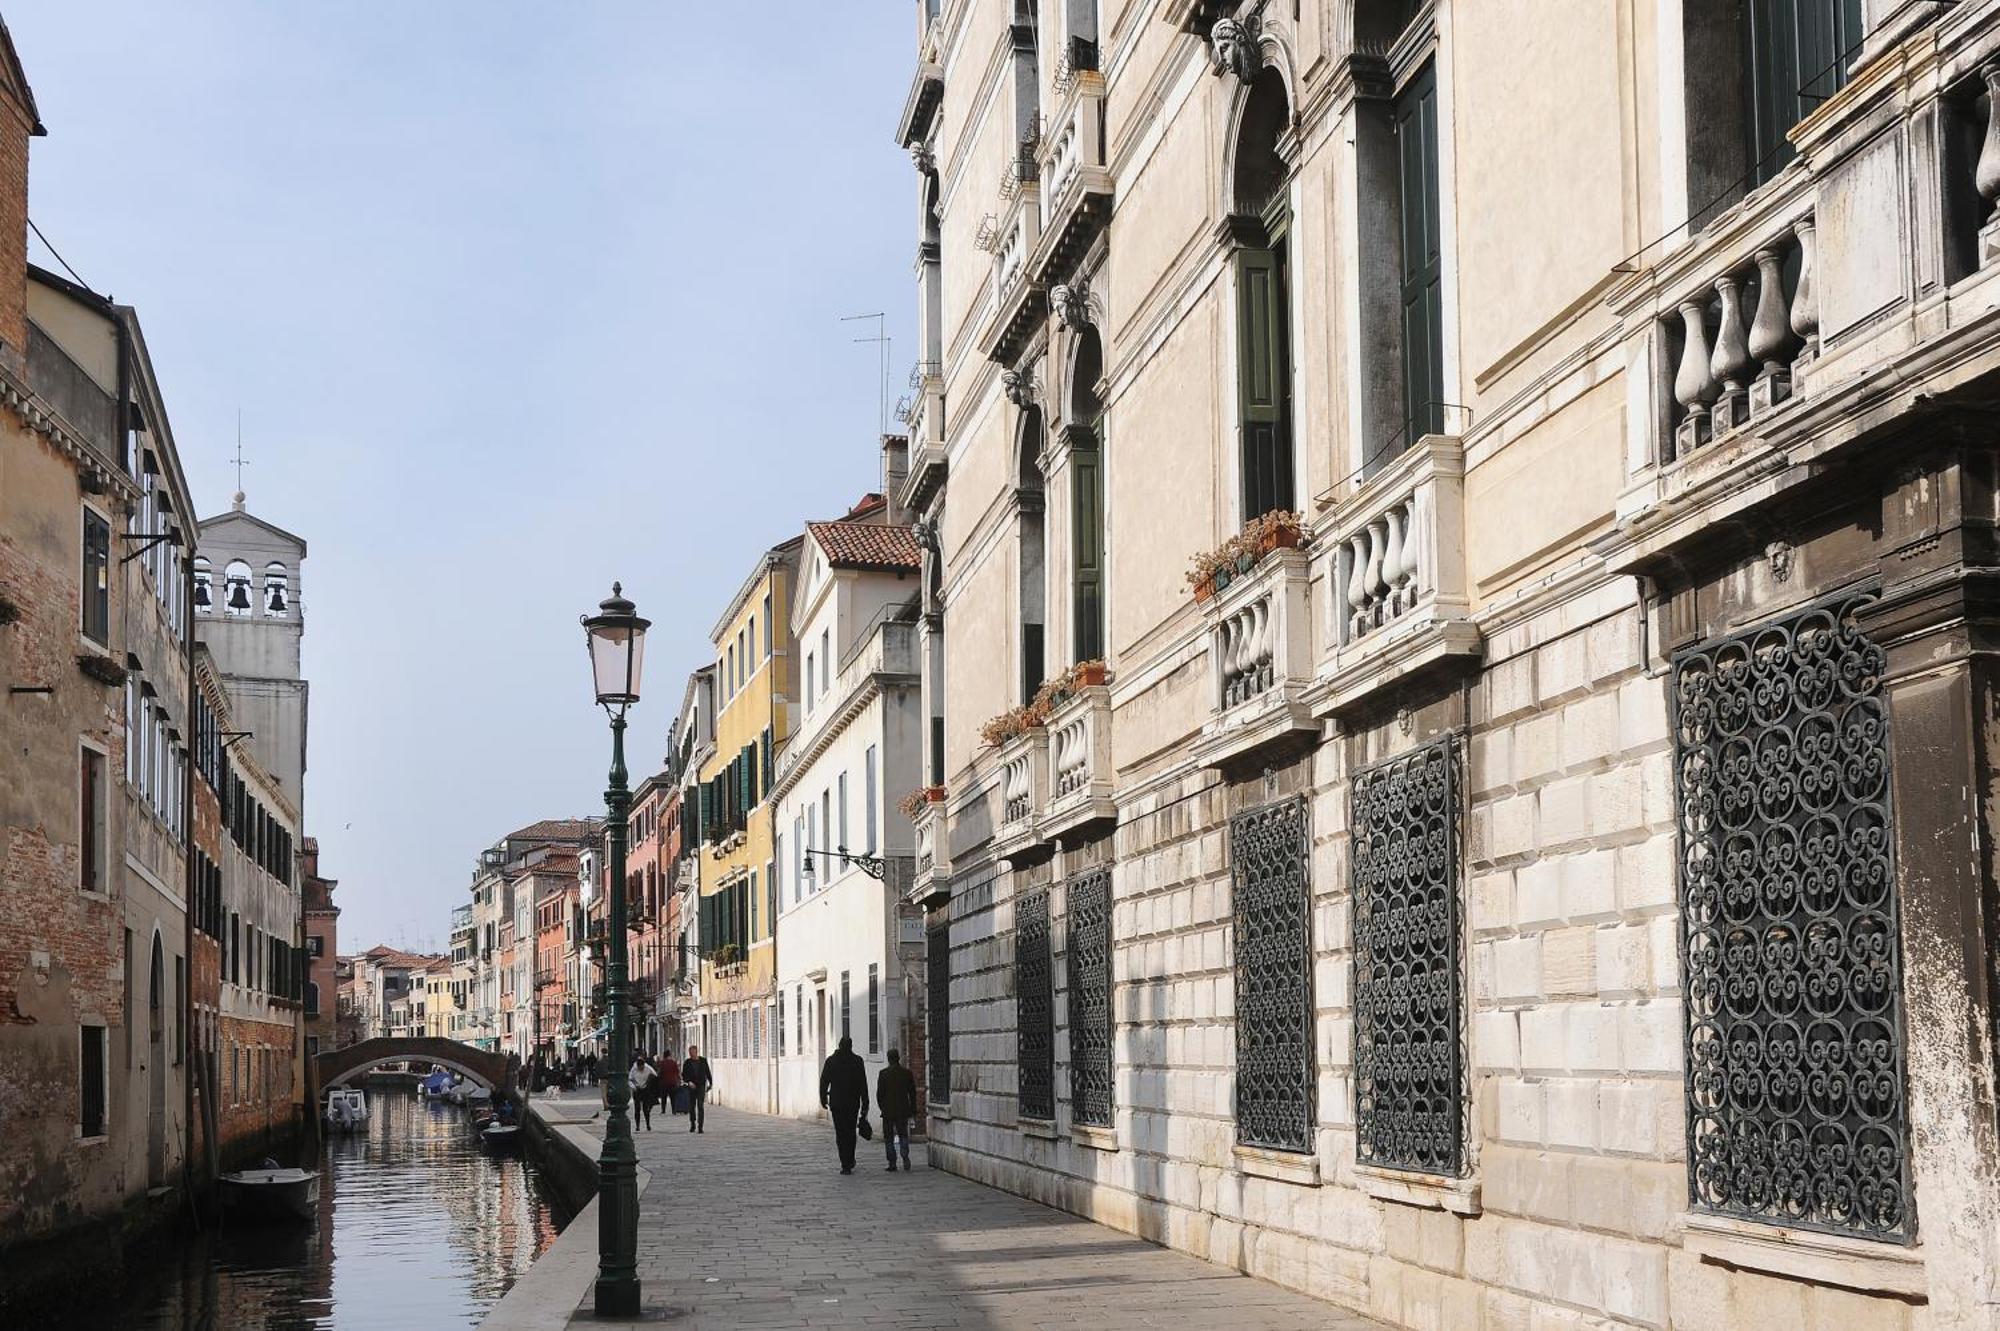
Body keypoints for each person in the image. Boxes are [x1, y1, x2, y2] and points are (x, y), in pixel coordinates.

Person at [818, 1035, 870, 1175]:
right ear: (851, 1046)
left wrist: (823, 1098)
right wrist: (865, 1103)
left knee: (841, 1134)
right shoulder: (857, 1061)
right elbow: (862, 1084)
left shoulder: (831, 1061)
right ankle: (850, 1159)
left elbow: (824, 1082)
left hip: (837, 1103)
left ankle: (845, 1163)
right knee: (850, 1132)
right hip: (852, 1103)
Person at [876, 1048, 917, 1172]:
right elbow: (912, 1093)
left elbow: (879, 1094)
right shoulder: (906, 1073)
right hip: (902, 1109)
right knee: (903, 1134)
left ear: (888, 1059)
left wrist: (882, 1107)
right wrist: (912, 1109)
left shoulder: (883, 1074)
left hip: (888, 1111)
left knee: (888, 1137)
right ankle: (905, 1156)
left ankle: (892, 1162)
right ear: (898, 1058)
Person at [682, 1045, 712, 1133]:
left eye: (692, 1053)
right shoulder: (687, 1062)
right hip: (691, 1086)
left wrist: (711, 1082)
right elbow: (684, 1075)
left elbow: (707, 1072)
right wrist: (689, 1082)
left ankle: (700, 1126)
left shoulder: (703, 1061)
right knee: (692, 1106)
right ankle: (692, 1124)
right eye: (690, 1053)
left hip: (701, 1085)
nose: (691, 1055)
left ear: (696, 1052)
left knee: (700, 1105)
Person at [630, 1052, 656, 1130]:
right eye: (640, 1068)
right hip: (637, 1090)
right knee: (637, 1109)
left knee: (646, 1109)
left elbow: (655, 1075)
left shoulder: (648, 1068)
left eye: (642, 1068)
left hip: (645, 1090)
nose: (641, 1069)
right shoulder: (634, 1069)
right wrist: (634, 1087)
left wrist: (650, 1083)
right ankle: (637, 1126)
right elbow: (630, 1080)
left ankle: (648, 1125)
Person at [656, 1048, 682, 1115]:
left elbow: (660, 1072)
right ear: (669, 1055)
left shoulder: (662, 1063)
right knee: (673, 1097)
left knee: (663, 1097)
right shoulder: (673, 1062)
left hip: (664, 1082)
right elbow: (677, 1072)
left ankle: (663, 1110)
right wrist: (679, 1080)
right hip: (673, 1082)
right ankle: (673, 1110)